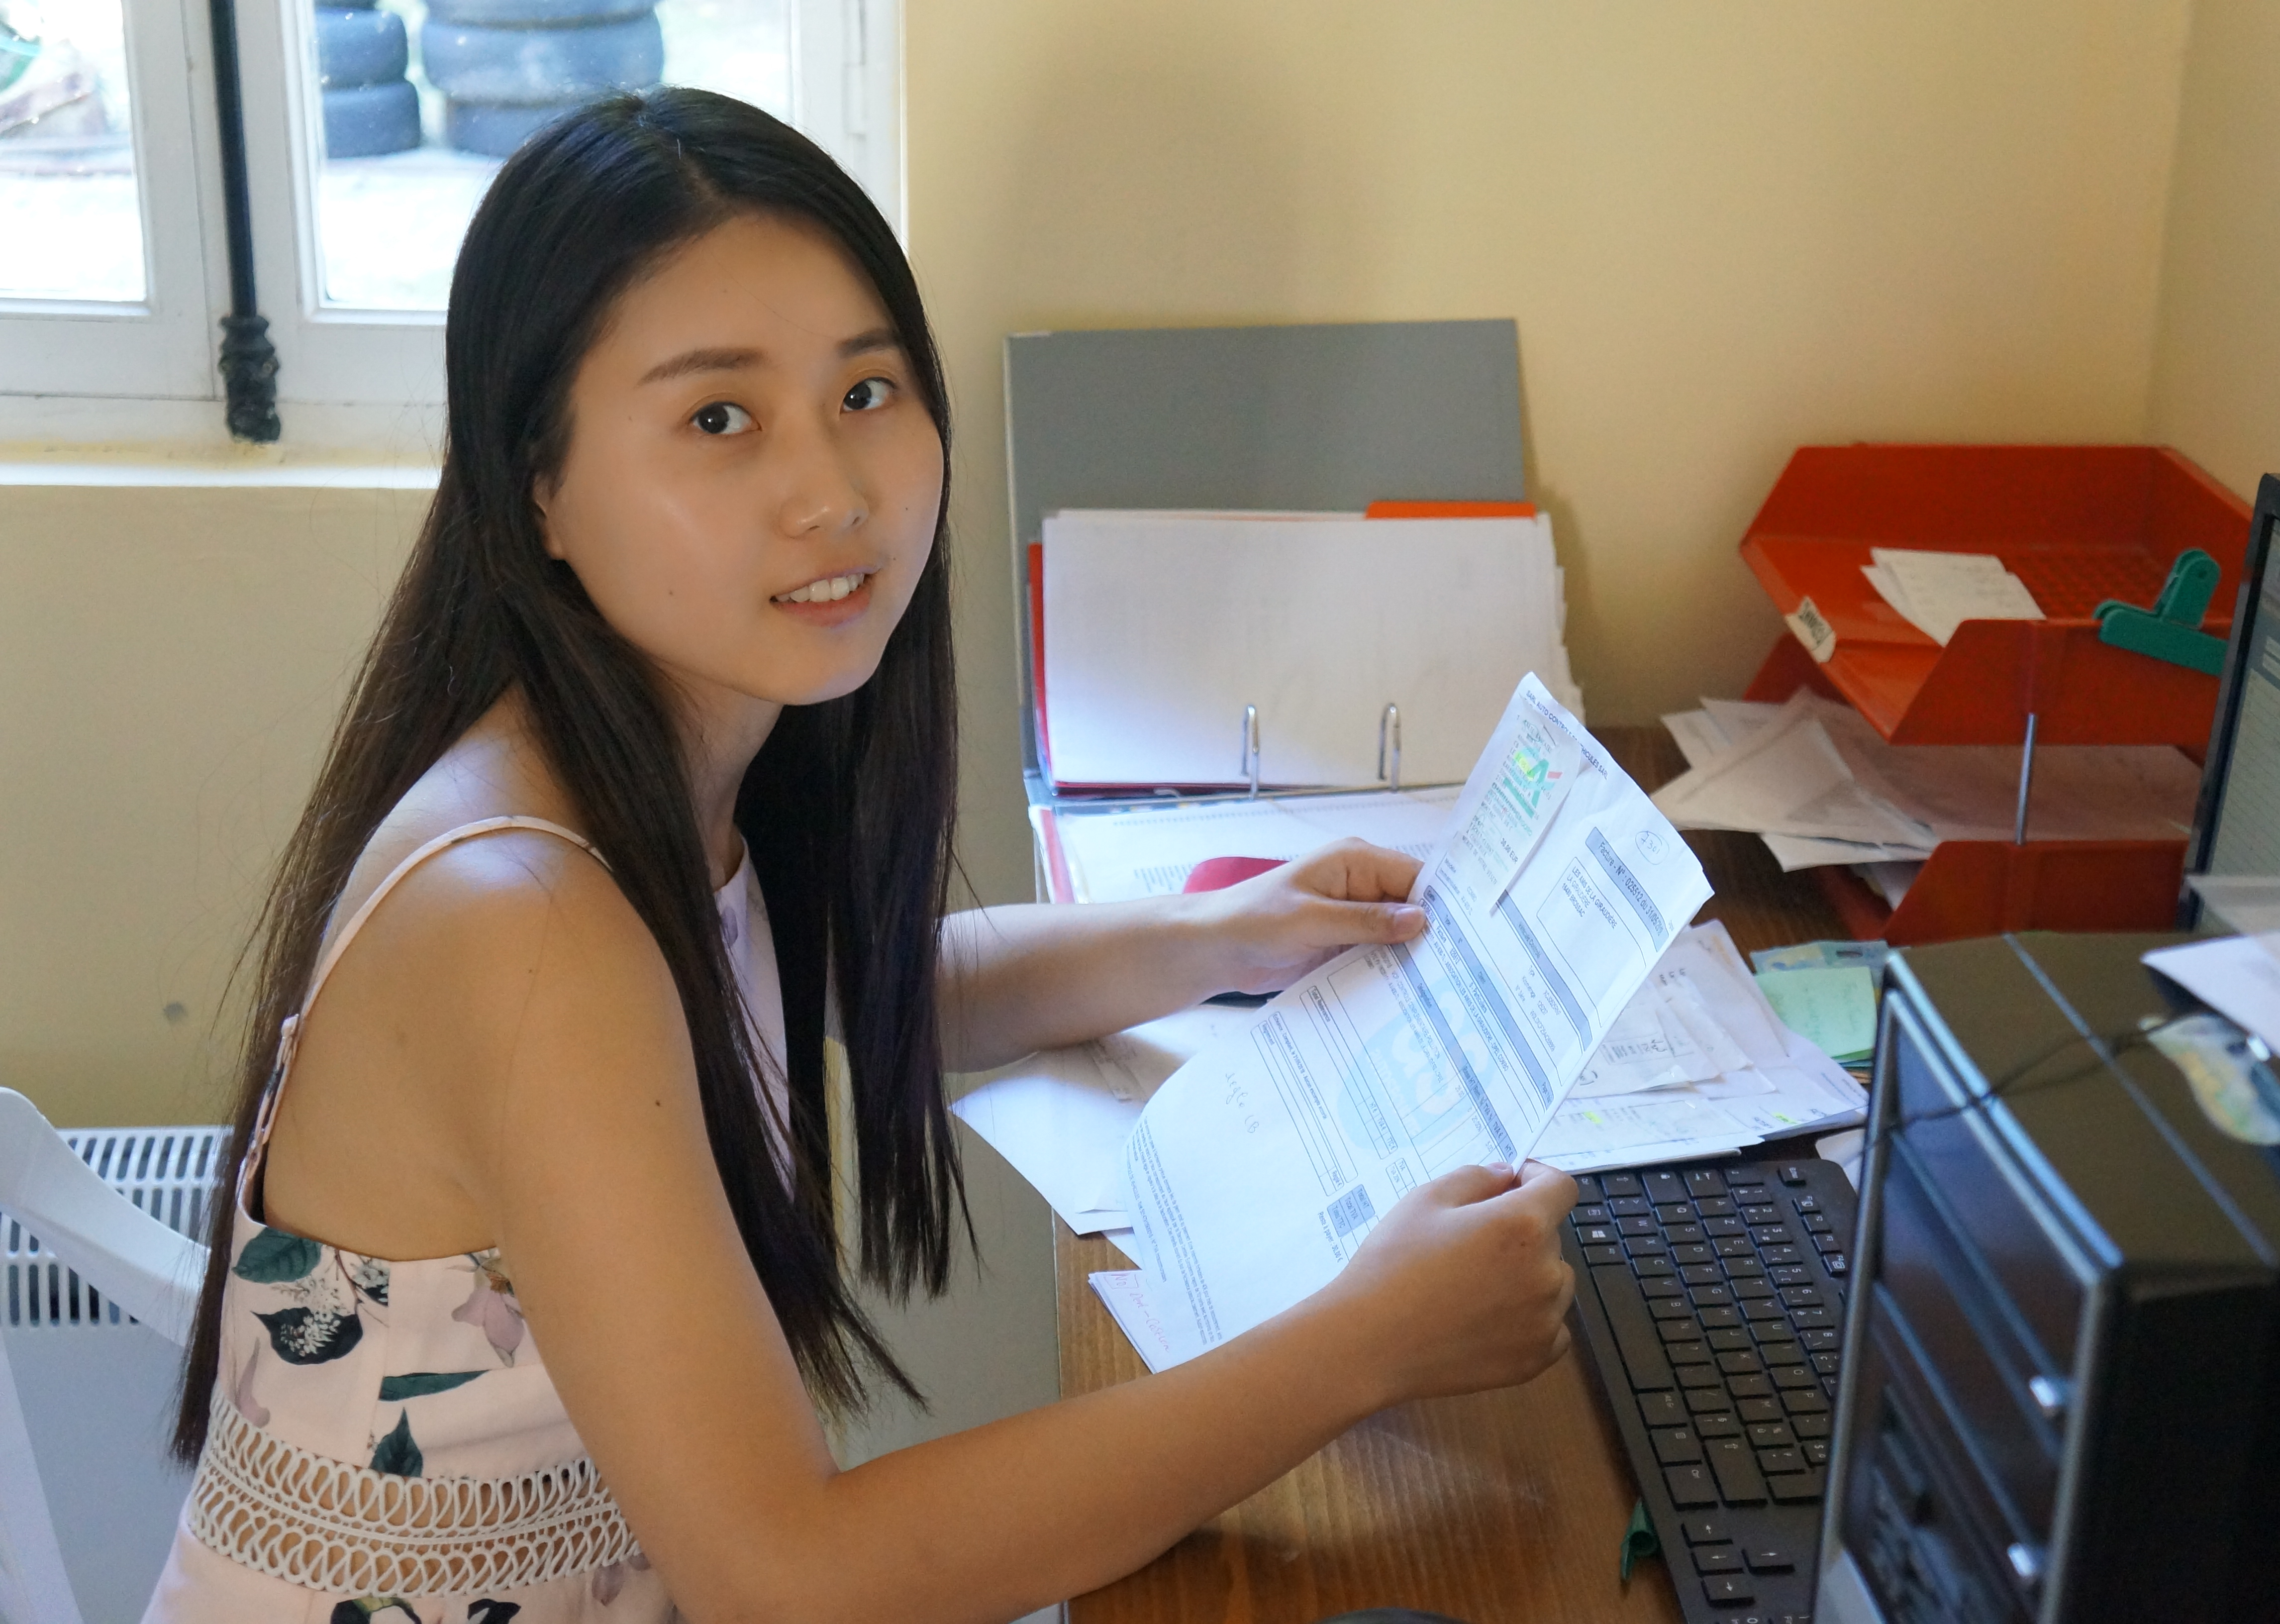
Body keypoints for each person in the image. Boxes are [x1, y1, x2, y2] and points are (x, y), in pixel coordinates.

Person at [146, 87, 1579, 1624]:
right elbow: (792, 1579)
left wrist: (1223, 936)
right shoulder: (526, 921)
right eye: (718, 418)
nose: (832, 494)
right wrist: (1363, 1345)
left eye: (867, 391)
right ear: (535, 484)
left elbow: (841, 985)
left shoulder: (664, 755)